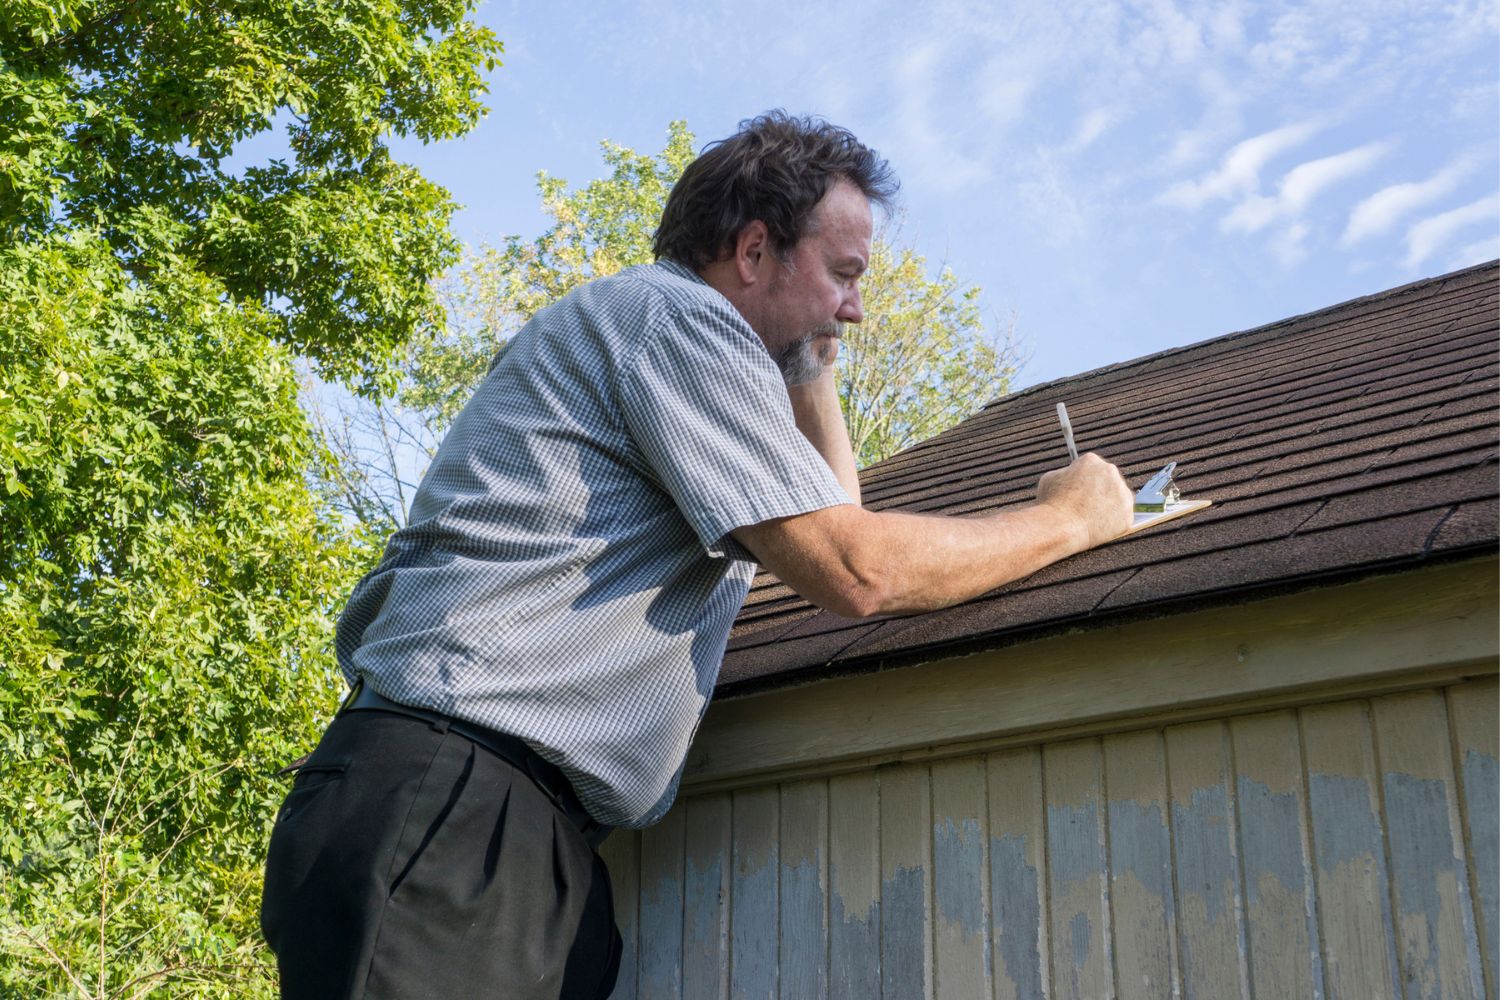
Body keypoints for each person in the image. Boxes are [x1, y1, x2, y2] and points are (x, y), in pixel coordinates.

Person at [259, 111, 1133, 999]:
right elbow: (856, 568)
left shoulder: (681, 347)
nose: (857, 308)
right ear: (754, 251)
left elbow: (835, 517)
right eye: (842, 274)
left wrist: (811, 366)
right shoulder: (672, 320)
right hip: (453, 807)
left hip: (513, 830)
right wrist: (1072, 521)